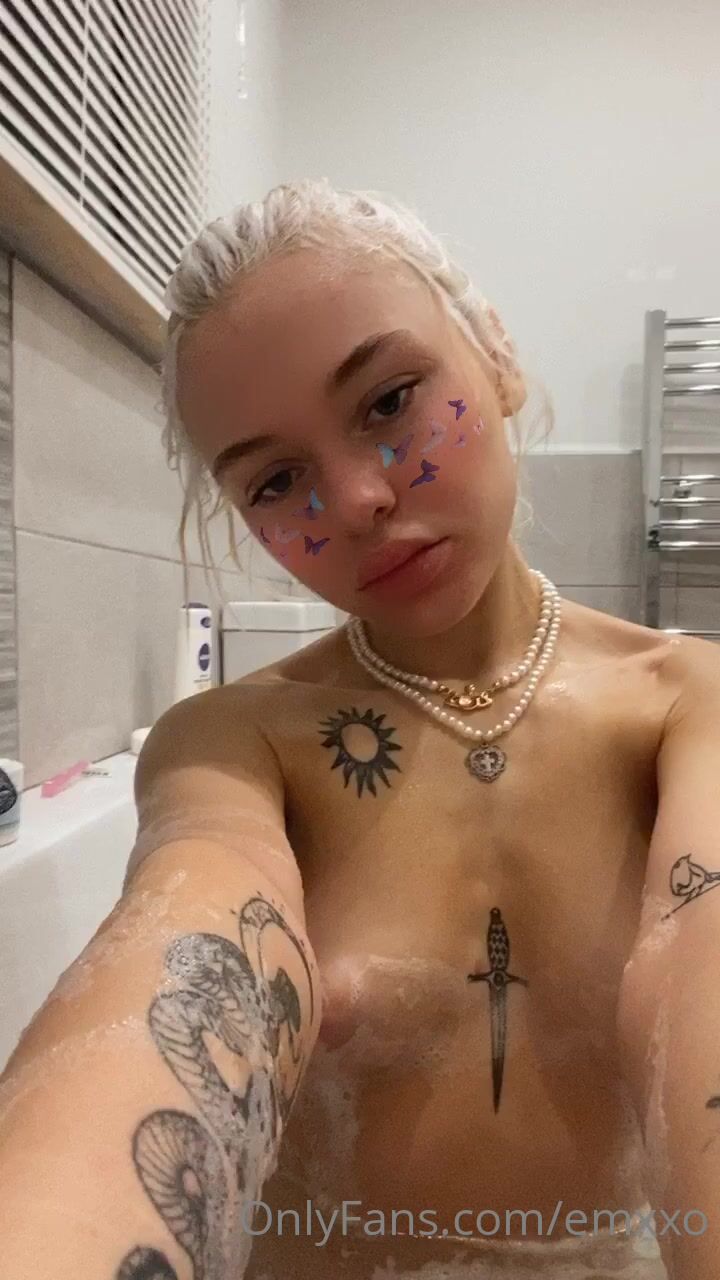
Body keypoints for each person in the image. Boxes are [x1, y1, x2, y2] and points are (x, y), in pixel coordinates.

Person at [1, 178, 719, 1280]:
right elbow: (172, 961)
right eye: (276, 479)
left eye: (388, 402)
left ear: (495, 352)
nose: (355, 500)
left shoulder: (687, 706)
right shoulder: (237, 746)